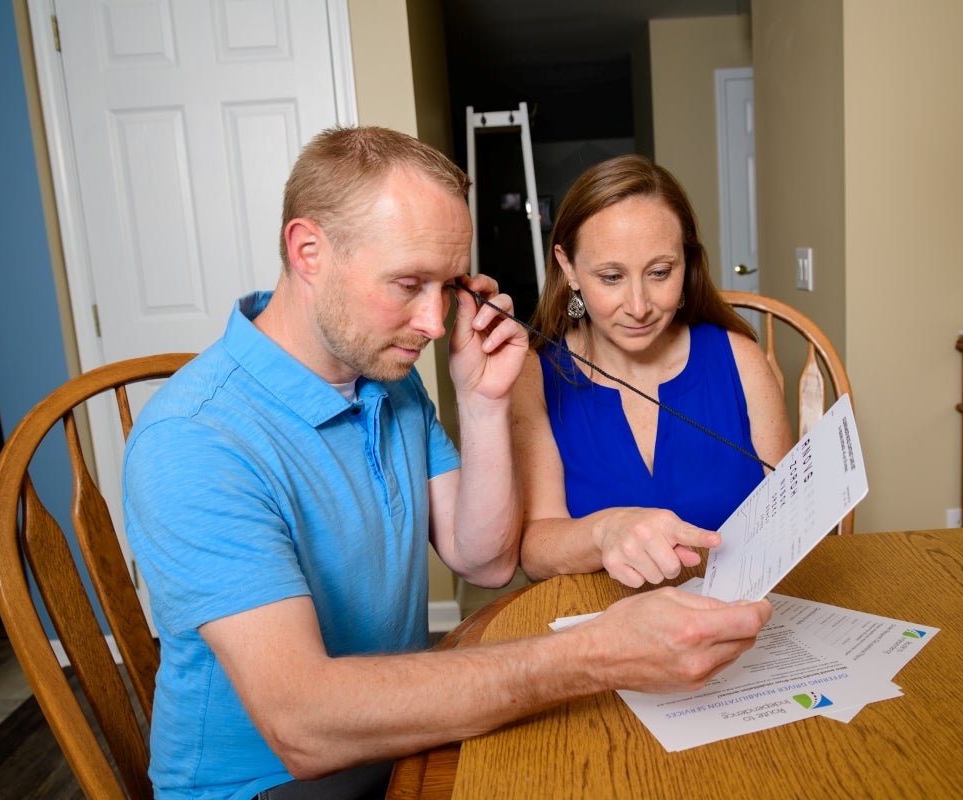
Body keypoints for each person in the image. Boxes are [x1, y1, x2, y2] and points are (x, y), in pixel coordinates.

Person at [123, 127, 773, 800]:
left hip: (402, 741)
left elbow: (484, 561)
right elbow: (305, 725)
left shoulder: (388, 380)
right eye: (408, 283)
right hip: (273, 783)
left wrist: (484, 400)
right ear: (308, 251)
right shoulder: (194, 439)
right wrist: (597, 652)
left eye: (447, 285)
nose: (435, 322)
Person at [511, 154, 794, 590]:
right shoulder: (535, 376)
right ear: (568, 268)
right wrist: (605, 530)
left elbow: (790, 517)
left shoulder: (742, 360)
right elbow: (535, 550)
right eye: (611, 277)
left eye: (660, 272)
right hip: (607, 625)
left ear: (687, 262)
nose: (639, 306)